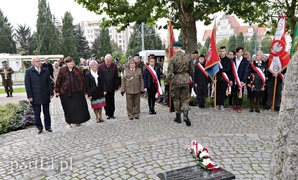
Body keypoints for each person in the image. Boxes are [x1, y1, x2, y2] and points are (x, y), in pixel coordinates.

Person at [55, 56, 90, 127]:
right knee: (68, 108)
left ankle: (78, 121)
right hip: (65, 92)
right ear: (66, 63)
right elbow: (58, 81)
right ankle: (69, 122)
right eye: (69, 62)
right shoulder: (62, 70)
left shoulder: (78, 69)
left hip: (77, 92)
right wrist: (57, 90)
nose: (71, 63)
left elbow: (82, 80)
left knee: (78, 108)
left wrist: (84, 90)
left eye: (72, 62)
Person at [166, 41, 193, 126]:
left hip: (176, 80)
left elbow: (170, 72)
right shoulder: (188, 57)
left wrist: (167, 81)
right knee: (185, 98)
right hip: (185, 79)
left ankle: (178, 117)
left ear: (174, 48)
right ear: (181, 47)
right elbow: (192, 70)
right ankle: (185, 115)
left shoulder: (173, 58)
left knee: (176, 98)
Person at [24, 57, 54, 134]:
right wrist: (29, 96)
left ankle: (48, 127)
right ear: (33, 63)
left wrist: (51, 92)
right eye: (37, 61)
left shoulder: (45, 70)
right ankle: (39, 128)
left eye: (39, 61)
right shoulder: (29, 72)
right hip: (35, 95)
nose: (39, 63)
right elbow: (28, 85)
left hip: (45, 94)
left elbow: (49, 83)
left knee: (46, 112)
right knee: (37, 113)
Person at [98, 54, 119, 119]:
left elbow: (116, 77)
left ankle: (112, 113)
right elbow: (100, 78)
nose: (109, 62)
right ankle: (107, 113)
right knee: (106, 101)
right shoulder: (101, 67)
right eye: (108, 61)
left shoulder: (114, 66)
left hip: (112, 86)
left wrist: (116, 86)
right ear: (105, 60)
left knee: (112, 100)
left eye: (110, 61)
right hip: (105, 87)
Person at [230, 46, 249, 113]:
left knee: (240, 93)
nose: (239, 54)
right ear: (236, 52)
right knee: (234, 93)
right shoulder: (233, 60)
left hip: (240, 80)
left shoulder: (245, 61)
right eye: (238, 52)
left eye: (241, 52)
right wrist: (231, 79)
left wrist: (243, 80)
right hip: (234, 79)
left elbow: (246, 71)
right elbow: (231, 71)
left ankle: (239, 106)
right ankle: (234, 104)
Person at [216, 46, 232, 111]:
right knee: (217, 92)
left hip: (224, 78)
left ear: (225, 51)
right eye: (221, 51)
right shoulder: (217, 59)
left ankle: (222, 104)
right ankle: (217, 104)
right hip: (217, 78)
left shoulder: (228, 60)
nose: (222, 53)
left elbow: (228, 69)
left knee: (223, 92)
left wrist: (221, 70)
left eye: (223, 51)